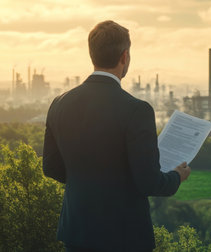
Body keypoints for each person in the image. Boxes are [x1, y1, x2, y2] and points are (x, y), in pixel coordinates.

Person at [43, 20, 191, 252]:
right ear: (125, 56)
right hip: (124, 237)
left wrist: (86, 181)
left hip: (77, 232)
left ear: (92, 54)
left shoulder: (59, 103)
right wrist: (176, 177)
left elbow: (50, 167)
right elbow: (149, 182)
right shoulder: (137, 110)